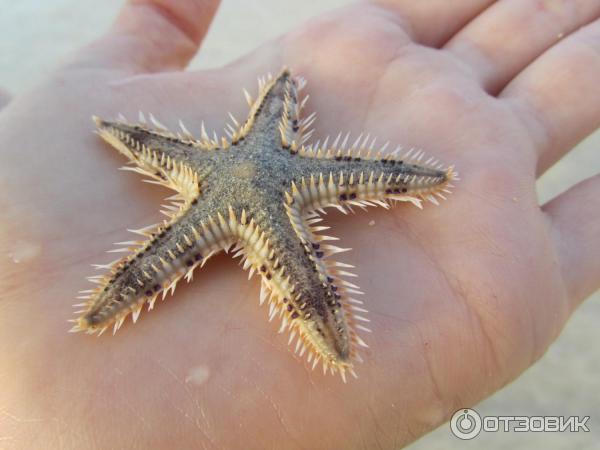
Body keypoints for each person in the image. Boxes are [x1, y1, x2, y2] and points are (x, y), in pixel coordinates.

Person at [0, 0, 598, 448]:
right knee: (159, 279)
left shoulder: (239, 145)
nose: (280, 97)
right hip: (239, 187)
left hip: (251, 177)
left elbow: (270, 101)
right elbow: (141, 133)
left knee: (382, 192)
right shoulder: (222, 155)